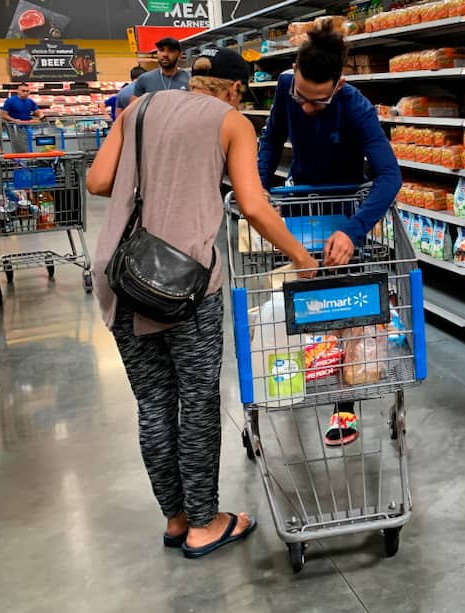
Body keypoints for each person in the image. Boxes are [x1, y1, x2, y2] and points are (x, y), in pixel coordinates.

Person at [86, 48, 319, 559]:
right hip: (183, 286)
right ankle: (205, 522)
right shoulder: (232, 122)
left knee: (153, 404)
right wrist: (300, 256)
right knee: (197, 401)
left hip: (122, 277)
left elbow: (98, 182)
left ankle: (174, 519)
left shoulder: (137, 108)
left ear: (195, 80)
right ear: (235, 89)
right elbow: (253, 204)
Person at [257, 19, 402, 268]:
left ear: (339, 85)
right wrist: (260, 186)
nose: (305, 107)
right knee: (293, 283)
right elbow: (272, 138)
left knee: (341, 285)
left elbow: (390, 175)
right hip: (297, 199)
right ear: (295, 69)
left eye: (318, 102)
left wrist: (352, 230)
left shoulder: (357, 108)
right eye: (300, 97)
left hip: (342, 206)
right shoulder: (284, 85)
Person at [0, 83, 43, 153]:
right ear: (18, 91)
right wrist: (15, 120)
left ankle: (27, 161)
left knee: (26, 146)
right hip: (14, 128)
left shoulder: (30, 101)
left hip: (27, 127)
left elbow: (37, 112)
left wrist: (41, 117)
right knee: (19, 147)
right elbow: (3, 115)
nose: (25, 93)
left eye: (27, 91)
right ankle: (20, 162)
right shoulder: (10, 101)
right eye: (23, 91)